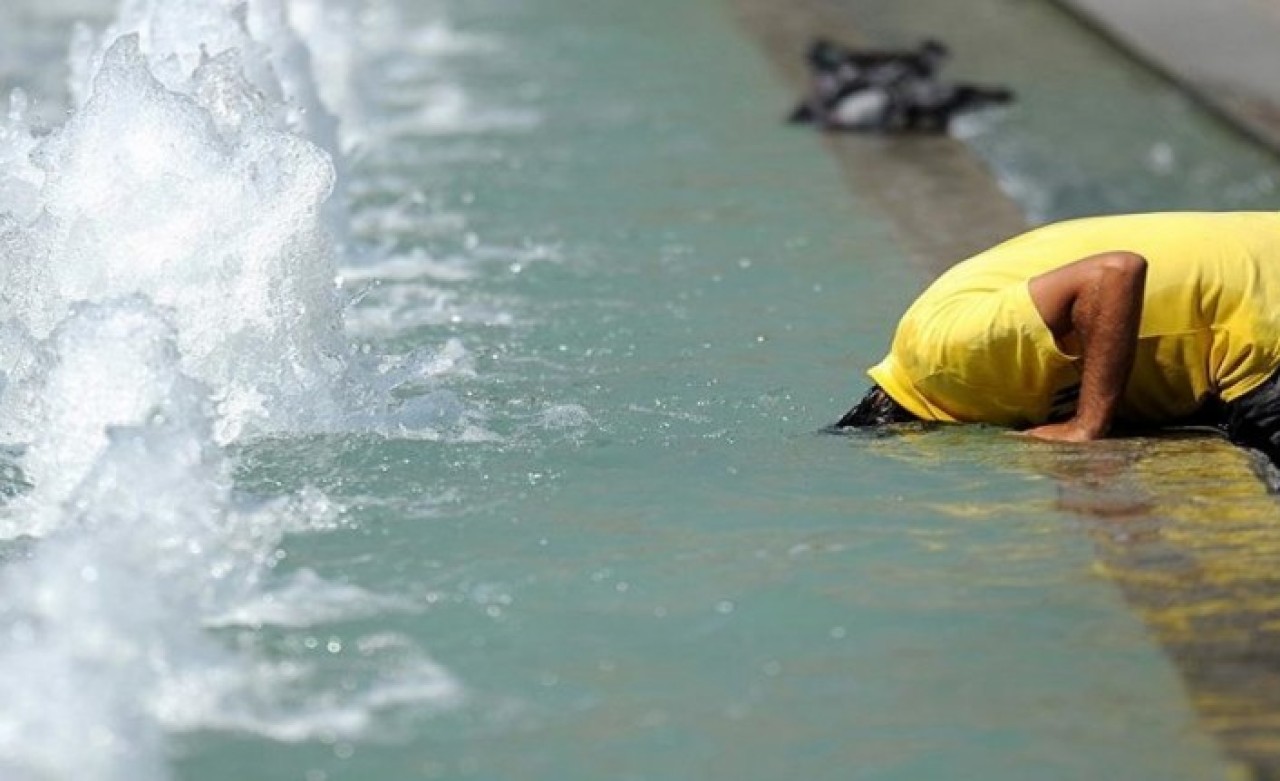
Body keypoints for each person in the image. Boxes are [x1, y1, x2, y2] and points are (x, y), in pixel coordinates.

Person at [836, 211, 1280, 465]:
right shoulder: (942, 359)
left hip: (1257, 313)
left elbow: (1115, 273)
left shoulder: (945, 359)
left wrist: (1087, 425)